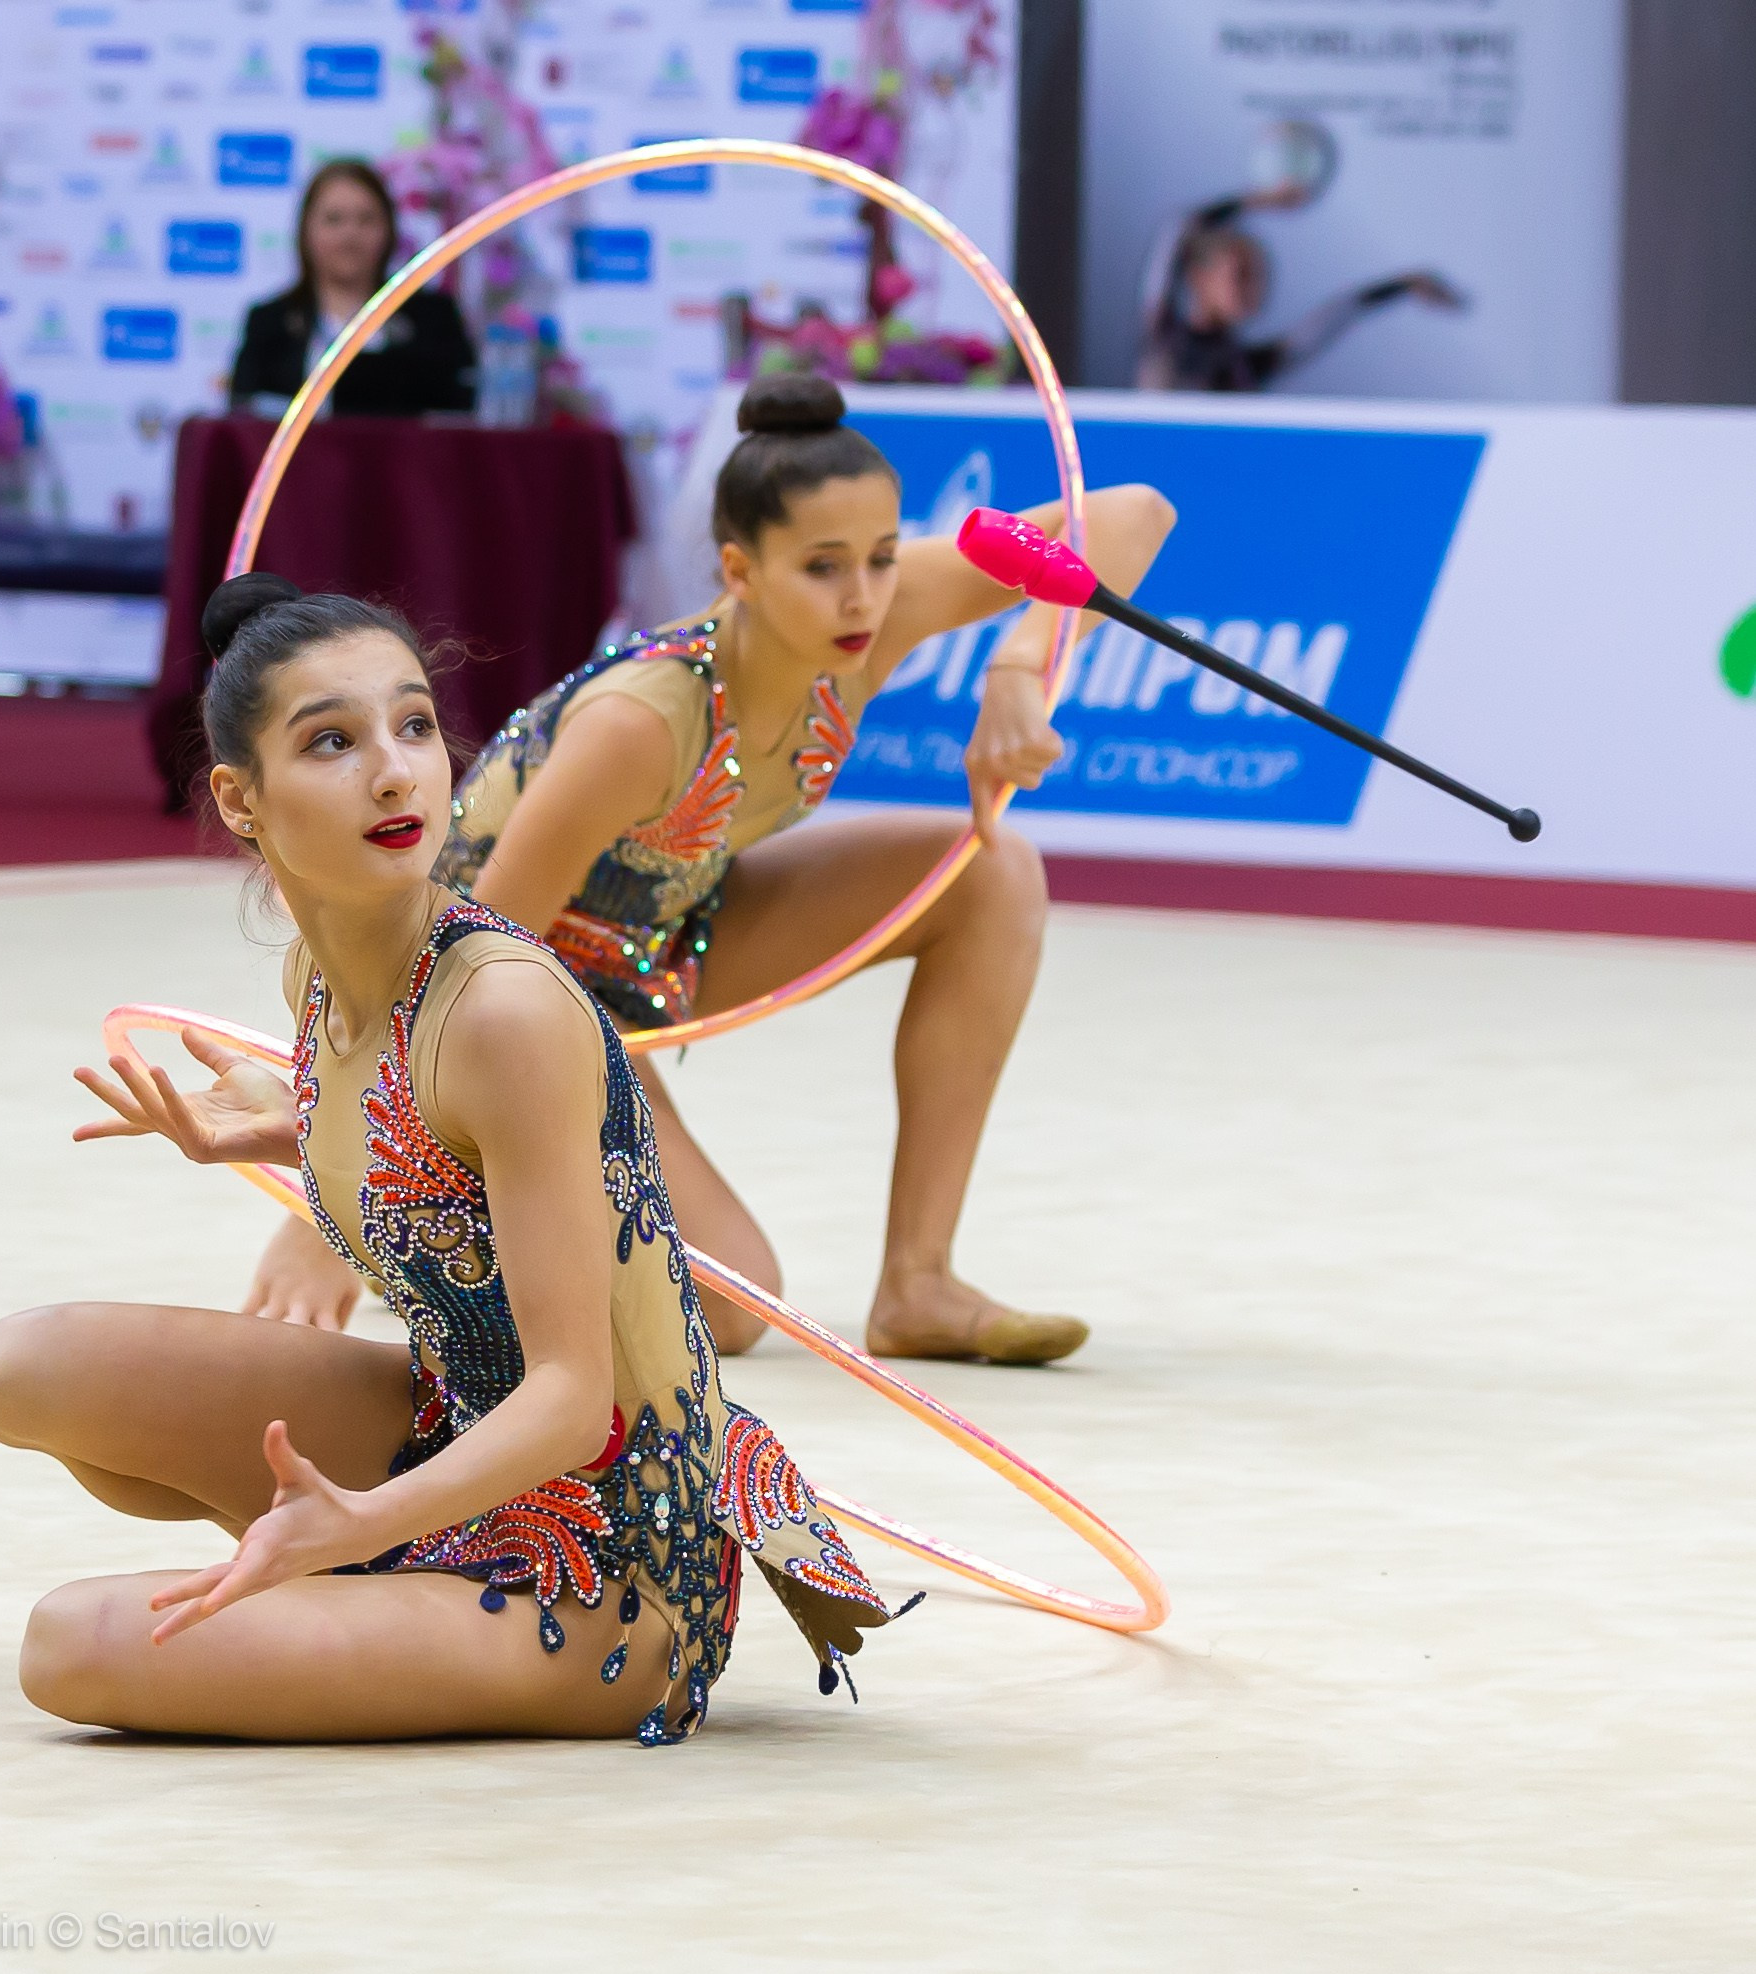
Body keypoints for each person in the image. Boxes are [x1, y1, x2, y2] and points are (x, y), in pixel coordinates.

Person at [0, 577, 906, 1745]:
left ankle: (388, 1583)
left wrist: (355, 1522)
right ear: (240, 800)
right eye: (332, 741)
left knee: (72, 1643)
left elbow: (570, 1397)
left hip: (606, 1556)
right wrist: (282, 1121)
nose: (397, 770)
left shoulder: (503, 1012)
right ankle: (385, 1584)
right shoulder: (320, 978)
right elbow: (440, 1162)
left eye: (413, 725)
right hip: (450, 1427)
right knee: (21, 1367)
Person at [244, 373, 1177, 1367]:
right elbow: (467, 947)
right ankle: (453, 1227)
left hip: (663, 937)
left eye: (877, 556)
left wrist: (1018, 671)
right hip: (518, 987)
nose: (862, 594)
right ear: (739, 569)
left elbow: (1128, 514)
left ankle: (918, 1281)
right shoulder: (641, 722)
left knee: (992, 874)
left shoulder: (870, 618)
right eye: (822, 566)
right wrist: (334, 1203)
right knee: (729, 1305)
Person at [1136, 177, 1463, 393]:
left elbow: (1332, 318)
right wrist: (1258, 200)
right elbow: (1178, 229)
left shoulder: (1247, 365)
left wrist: (1403, 285)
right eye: (1240, 274)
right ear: (1198, 277)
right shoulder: (1163, 334)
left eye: (1260, 276)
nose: (1253, 289)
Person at [229, 159, 475, 418]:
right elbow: (245, 419)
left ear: (389, 229)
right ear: (306, 230)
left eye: (366, 219)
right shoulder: (270, 322)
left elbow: (459, 414)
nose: (350, 235)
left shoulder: (434, 318)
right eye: (334, 220)